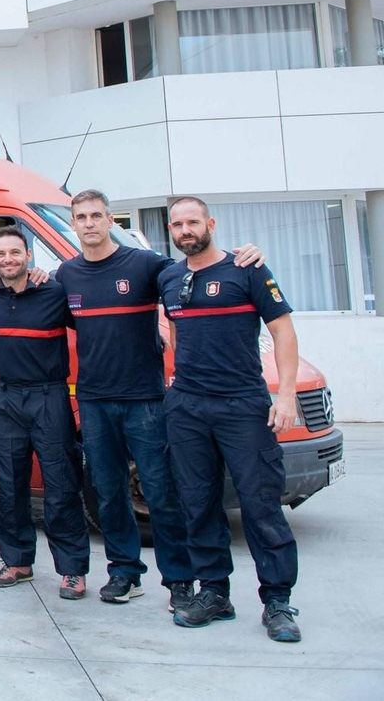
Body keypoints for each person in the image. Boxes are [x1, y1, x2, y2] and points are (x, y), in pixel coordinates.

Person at [53, 189, 262, 611]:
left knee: (161, 493)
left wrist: (246, 254)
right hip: (93, 400)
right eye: (81, 217)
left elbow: (199, 267)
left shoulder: (147, 266)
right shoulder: (65, 275)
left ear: (111, 220)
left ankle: (180, 580)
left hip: (146, 399)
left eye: (97, 215)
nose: (89, 223)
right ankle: (124, 573)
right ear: (73, 224)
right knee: (109, 493)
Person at [160, 197, 304, 643]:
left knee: (261, 504)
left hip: (242, 404)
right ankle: (214, 593)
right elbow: (179, 330)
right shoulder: (170, 277)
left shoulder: (248, 268)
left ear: (211, 224)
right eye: (178, 224)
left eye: (193, 222)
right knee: (198, 502)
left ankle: (277, 601)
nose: (186, 230)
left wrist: (285, 395)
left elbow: (282, 329)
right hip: (187, 406)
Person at [0, 226, 89, 599]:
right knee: (9, 486)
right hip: (7, 397)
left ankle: (72, 570)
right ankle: (17, 561)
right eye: (0, 254)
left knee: (61, 485)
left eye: (15, 252)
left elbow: (89, 322)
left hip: (49, 397)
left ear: (28, 256)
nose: (8, 259)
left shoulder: (54, 292)